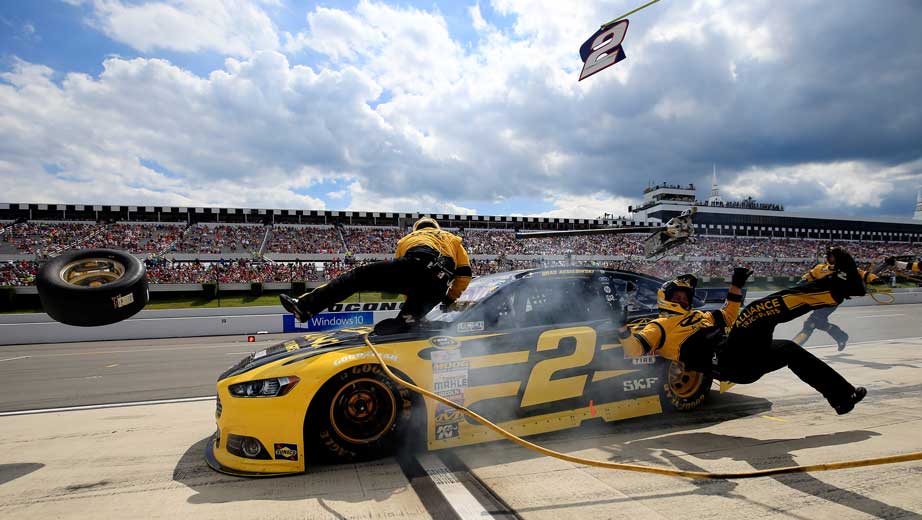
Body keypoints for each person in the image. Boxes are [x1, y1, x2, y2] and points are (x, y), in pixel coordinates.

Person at [620, 247, 867, 415]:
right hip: (726, 362)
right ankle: (841, 288)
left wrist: (736, 285)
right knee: (758, 311)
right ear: (666, 298)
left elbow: (729, 316)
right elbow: (634, 350)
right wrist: (622, 331)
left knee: (790, 349)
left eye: (686, 296)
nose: (684, 300)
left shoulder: (701, 315)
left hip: (745, 359)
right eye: (679, 296)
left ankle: (842, 398)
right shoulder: (659, 326)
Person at [280, 217, 472, 333]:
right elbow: (464, 273)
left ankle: (305, 307)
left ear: (417, 230)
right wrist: (448, 298)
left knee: (357, 277)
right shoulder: (452, 238)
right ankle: (413, 319)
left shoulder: (407, 239)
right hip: (438, 286)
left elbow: (404, 278)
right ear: (437, 227)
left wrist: (411, 296)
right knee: (407, 322)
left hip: (415, 265)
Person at [792, 246, 885, 351]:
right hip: (818, 299)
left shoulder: (846, 269)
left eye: (835, 256)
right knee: (819, 323)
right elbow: (810, 275)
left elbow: (862, 274)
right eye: (831, 256)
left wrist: (874, 279)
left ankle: (792, 349)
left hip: (832, 300)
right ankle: (841, 336)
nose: (833, 258)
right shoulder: (820, 268)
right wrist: (803, 280)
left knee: (810, 323)